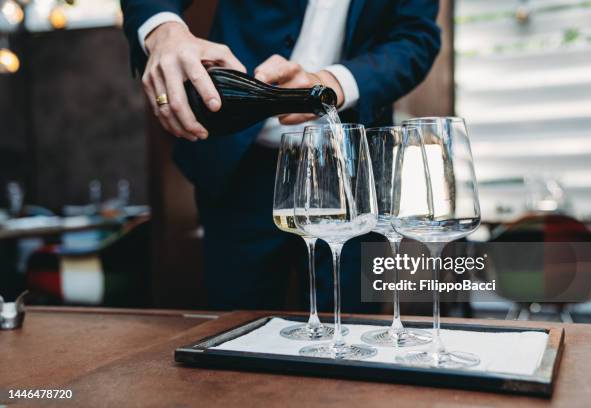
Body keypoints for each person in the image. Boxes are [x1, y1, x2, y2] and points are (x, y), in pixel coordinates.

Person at [120, 0, 441, 312]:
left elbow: (416, 38)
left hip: (351, 170)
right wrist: (164, 31)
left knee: (349, 327)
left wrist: (331, 83)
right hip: (242, 166)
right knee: (237, 329)